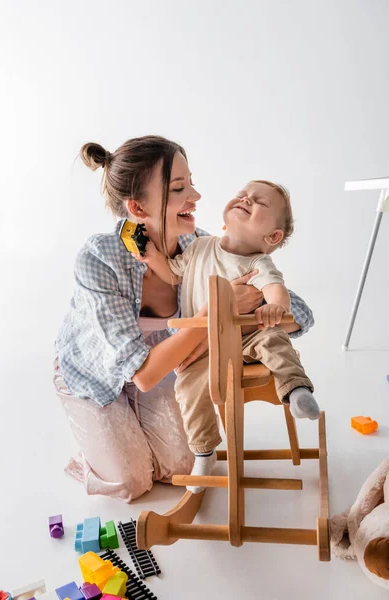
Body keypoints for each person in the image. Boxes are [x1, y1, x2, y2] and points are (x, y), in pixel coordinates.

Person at [53, 135, 314, 502]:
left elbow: (298, 313)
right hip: (99, 375)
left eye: (191, 182)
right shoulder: (99, 259)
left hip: (170, 364)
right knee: (131, 482)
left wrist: (252, 306)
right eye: (179, 188)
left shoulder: (201, 246)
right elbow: (143, 375)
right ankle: (99, 451)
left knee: (180, 465)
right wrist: (218, 310)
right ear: (138, 209)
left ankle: (133, 440)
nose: (196, 196)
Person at [132, 179, 320, 493]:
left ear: (271, 237)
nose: (245, 198)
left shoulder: (258, 263)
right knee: (188, 389)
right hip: (203, 348)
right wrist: (153, 259)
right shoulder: (199, 246)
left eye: (258, 201)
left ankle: (296, 390)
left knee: (273, 339)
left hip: (246, 337)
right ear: (223, 220)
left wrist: (274, 307)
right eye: (241, 194)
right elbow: (173, 273)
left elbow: (276, 290)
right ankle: (204, 451)